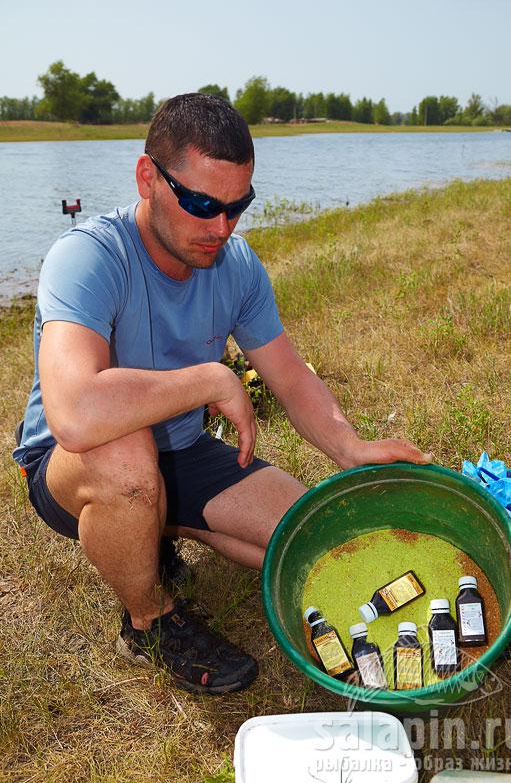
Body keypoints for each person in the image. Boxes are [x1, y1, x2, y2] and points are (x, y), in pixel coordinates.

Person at [13, 94, 431, 695]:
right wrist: (210, 379)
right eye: (204, 205)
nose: (222, 228)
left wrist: (349, 447)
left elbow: (288, 374)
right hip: (75, 463)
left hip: (182, 450)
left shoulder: (235, 263)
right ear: (148, 178)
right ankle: (150, 619)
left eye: (239, 207)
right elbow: (76, 415)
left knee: (312, 539)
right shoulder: (87, 258)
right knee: (128, 457)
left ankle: (159, 525)